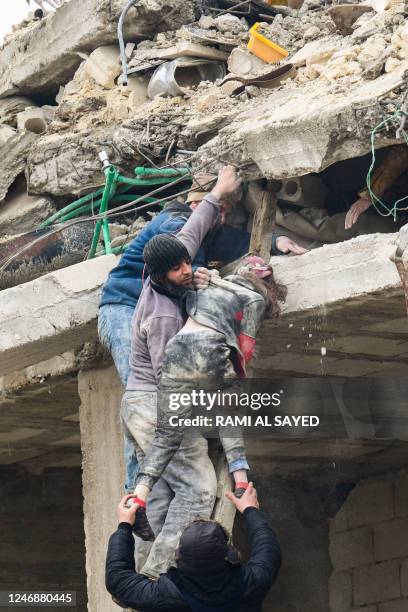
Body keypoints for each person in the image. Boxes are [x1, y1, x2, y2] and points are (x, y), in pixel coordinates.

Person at [98, 173, 304, 492]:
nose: (221, 220)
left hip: (160, 317)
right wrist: (203, 275)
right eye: (218, 212)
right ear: (198, 206)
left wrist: (276, 242)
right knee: (144, 398)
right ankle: (133, 488)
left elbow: (231, 240)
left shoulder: (207, 232)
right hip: (124, 307)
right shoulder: (172, 223)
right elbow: (182, 248)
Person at [121, 165, 243, 577]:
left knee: (160, 493)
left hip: (143, 405)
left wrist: (218, 191)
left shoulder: (174, 260)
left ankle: (139, 573)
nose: (187, 271)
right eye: (177, 271)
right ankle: (158, 575)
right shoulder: (162, 320)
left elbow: (194, 227)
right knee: (198, 488)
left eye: (186, 264)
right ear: (158, 277)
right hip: (154, 403)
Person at [124, 256, 286, 553]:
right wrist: (241, 362)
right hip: (207, 353)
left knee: (165, 442)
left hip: (175, 356)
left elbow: (185, 289)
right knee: (202, 480)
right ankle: (238, 482)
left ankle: (140, 496)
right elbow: (249, 324)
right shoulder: (249, 298)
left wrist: (212, 278)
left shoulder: (200, 287)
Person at [106, 483, 282, 612]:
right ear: (231, 554)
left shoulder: (167, 596)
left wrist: (124, 525)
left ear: (177, 558)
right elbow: (267, 545)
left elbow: (117, 580)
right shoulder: (253, 583)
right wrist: (250, 509)